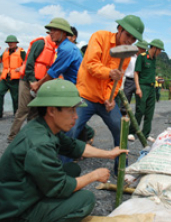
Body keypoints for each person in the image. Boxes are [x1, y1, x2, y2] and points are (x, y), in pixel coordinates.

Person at [0, 79, 127, 222]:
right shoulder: (40, 143)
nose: (76, 116)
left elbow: (73, 147)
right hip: (13, 214)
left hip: (20, 198)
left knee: (72, 169)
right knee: (85, 200)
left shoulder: (44, 126)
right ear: (51, 110)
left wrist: (109, 154)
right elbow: (61, 187)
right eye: (71, 110)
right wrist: (94, 175)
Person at [66, 15, 144, 174]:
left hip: (104, 100)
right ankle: (63, 169)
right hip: (85, 95)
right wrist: (110, 73)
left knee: (120, 129)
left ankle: (122, 169)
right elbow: (91, 64)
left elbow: (116, 80)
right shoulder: (100, 37)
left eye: (133, 38)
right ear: (119, 29)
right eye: (127, 35)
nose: (130, 40)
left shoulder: (127, 54)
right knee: (70, 129)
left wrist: (110, 99)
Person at [128, 39, 165, 142]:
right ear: (154, 48)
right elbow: (136, 73)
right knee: (140, 110)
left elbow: (150, 74)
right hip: (142, 87)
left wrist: (157, 80)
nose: (160, 52)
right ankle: (131, 132)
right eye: (160, 50)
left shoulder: (154, 59)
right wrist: (138, 88)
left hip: (152, 88)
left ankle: (145, 133)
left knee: (150, 112)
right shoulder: (142, 57)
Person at [0, 35, 26, 119]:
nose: (10, 44)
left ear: (16, 43)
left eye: (11, 42)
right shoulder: (6, 51)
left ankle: (16, 114)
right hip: (5, 78)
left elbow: (27, 62)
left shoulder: (21, 52)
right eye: (8, 42)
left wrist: (21, 68)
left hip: (15, 79)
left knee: (15, 97)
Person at [122, 40, 148, 105]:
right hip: (128, 81)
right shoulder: (129, 56)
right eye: (143, 49)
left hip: (139, 81)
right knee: (125, 102)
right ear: (138, 48)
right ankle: (123, 113)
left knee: (140, 102)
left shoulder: (144, 58)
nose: (145, 51)